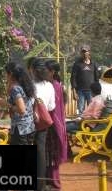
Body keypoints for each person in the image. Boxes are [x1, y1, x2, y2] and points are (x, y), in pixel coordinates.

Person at [28, 58, 55, 191]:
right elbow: (51, 106)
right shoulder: (49, 85)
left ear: (33, 70)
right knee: (41, 152)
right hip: (43, 123)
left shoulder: (29, 85)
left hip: (28, 122)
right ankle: (41, 185)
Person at [44, 60, 68, 191]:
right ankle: (50, 179)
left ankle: (54, 181)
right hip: (51, 122)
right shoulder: (53, 84)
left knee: (53, 153)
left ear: (52, 72)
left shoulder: (55, 86)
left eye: (46, 70)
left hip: (53, 124)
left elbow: (54, 108)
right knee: (49, 153)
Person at [5, 62, 35, 145]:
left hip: (20, 129)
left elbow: (21, 110)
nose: (5, 76)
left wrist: (6, 104)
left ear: (10, 74)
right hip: (29, 126)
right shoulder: (24, 85)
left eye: (5, 73)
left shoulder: (15, 89)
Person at [70, 44, 99, 114]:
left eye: (86, 51)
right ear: (81, 53)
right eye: (83, 51)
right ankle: (80, 124)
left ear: (89, 52)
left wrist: (97, 92)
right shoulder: (77, 64)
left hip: (91, 92)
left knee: (91, 111)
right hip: (80, 91)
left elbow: (96, 78)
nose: (84, 53)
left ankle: (89, 125)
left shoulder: (94, 64)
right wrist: (74, 91)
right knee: (81, 111)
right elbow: (73, 78)